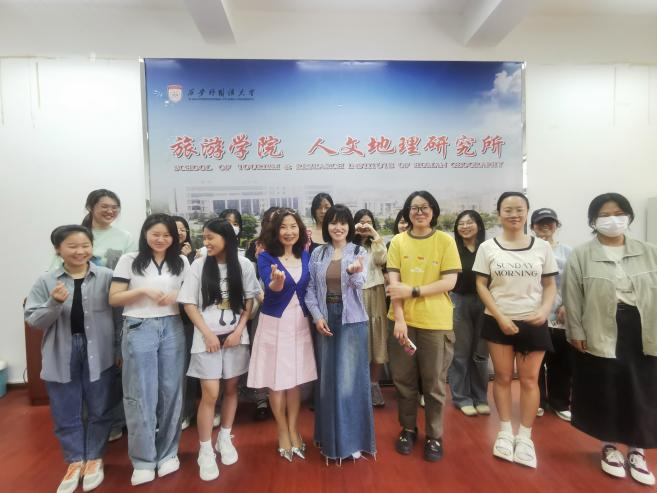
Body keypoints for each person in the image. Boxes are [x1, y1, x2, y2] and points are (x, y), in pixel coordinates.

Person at [564, 193, 657, 486]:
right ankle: (609, 446)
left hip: (644, 328)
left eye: (618, 213)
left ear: (629, 216)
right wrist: (576, 331)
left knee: (642, 389)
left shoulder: (649, 252)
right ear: (593, 221)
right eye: (604, 215)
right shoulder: (581, 254)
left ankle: (637, 450)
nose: (613, 220)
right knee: (606, 386)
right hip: (600, 326)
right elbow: (572, 296)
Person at [25, 225, 116, 493]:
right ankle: (75, 460)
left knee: (100, 407)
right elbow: (34, 321)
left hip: (100, 350)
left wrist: (120, 350)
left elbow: (119, 316)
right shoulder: (46, 281)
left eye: (85, 245)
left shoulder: (106, 276)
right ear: (58, 249)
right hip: (61, 350)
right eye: (72, 246)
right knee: (65, 409)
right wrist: (53, 303)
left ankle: (95, 458)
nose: (80, 251)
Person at [473, 192, 557, 469]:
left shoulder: (542, 247)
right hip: (498, 320)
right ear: (499, 214)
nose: (513, 214)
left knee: (530, 380)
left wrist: (545, 311)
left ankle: (525, 436)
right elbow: (481, 285)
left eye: (519, 209)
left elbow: (549, 285)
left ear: (526, 212)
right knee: (503, 378)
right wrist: (499, 316)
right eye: (507, 210)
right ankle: (505, 431)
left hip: (533, 321)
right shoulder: (488, 247)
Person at [108, 214, 190, 486]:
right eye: (155, 234)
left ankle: (168, 453)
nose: (161, 239)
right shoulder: (129, 260)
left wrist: (177, 296)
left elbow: (192, 295)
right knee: (140, 393)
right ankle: (143, 460)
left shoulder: (182, 262)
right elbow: (114, 298)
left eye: (167, 235)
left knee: (171, 392)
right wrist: (142, 292)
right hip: (138, 326)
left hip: (172, 327)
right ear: (145, 234)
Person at [178, 218, 260, 481]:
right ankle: (205, 449)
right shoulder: (199, 265)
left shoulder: (244, 265)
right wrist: (207, 333)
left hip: (235, 338)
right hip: (207, 339)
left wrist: (238, 331)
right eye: (204, 237)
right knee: (210, 393)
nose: (206, 242)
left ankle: (225, 436)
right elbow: (188, 303)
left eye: (210, 237)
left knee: (232, 389)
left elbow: (249, 301)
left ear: (226, 238)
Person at [386, 191, 461, 462]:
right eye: (414, 208)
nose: (419, 212)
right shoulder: (398, 241)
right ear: (407, 212)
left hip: (435, 323)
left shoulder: (445, 241)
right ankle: (408, 429)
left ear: (433, 211)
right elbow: (394, 286)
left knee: (434, 383)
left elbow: (449, 282)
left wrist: (414, 291)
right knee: (403, 381)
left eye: (425, 207)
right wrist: (400, 319)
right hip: (403, 325)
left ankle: (434, 435)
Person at [306, 205, 376, 462]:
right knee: (327, 381)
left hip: (352, 320)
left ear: (349, 226)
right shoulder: (318, 253)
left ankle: (352, 441)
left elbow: (359, 285)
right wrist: (317, 317)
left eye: (343, 222)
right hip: (325, 318)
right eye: (334, 223)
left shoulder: (358, 252)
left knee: (350, 382)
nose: (338, 227)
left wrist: (353, 273)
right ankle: (329, 438)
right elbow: (310, 289)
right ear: (327, 226)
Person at [247, 208, 317, 461]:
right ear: (275, 231)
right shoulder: (266, 257)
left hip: (299, 323)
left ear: (300, 230)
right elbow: (271, 286)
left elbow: (310, 288)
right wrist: (277, 281)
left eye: (293, 226)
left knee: (295, 380)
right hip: (274, 324)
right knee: (276, 380)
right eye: (283, 227)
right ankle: (282, 431)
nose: (289, 232)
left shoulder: (306, 255)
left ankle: (294, 428)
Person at [530, 208, 573, 421]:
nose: (545, 226)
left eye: (550, 222)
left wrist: (568, 305)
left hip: (561, 315)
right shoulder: (528, 249)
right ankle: (537, 400)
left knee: (561, 362)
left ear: (557, 225)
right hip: (534, 314)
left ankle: (560, 402)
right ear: (532, 227)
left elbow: (575, 282)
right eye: (540, 223)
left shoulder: (568, 252)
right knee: (535, 363)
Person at [448, 210, 490, 417]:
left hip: (485, 302)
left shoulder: (488, 248)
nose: (465, 226)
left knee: (481, 353)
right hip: (459, 301)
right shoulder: (452, 249)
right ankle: (461, 397)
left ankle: (480, 397)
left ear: (479, 226)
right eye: (461, 223)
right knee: (460, 352)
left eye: (469, 222)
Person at [50, 189, 135, 271]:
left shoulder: (126, 237)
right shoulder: (74, 235)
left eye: (114, 208)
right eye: (104, 206)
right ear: (90, 207)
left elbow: (131, 268)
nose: (110, 211)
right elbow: (56, 269)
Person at [353, 208, 388, 408]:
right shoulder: (349, 245)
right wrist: (353, 232)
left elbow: (382, 259)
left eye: (369, 222)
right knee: (358, 340)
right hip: (356, 294)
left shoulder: (375, 244)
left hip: (375, 292)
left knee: (377, 337)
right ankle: (358, 386)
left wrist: (374, 235)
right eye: (361, 222)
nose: (365, 225)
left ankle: (374, 385)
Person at [172, 215, 199, 431]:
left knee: (187, 369)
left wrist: (188, 257)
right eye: (175, 228)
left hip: (187, 320)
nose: (180, 232)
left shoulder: (195, 255)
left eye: (183, 229)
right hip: (165, 319)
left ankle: (186, 411)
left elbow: (193, 288)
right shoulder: (156, 256)